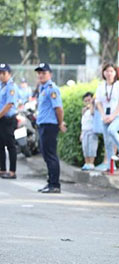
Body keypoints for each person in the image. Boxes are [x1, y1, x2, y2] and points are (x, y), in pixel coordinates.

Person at [34, 63, 66, 193]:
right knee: (46, 154)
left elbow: (58, 108)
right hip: (43, 125)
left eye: (44, 73)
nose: (41, 75)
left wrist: (60, 123)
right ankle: (50, 182)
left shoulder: (52, 89)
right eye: (39, 73)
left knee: (51, 155)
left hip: (50, 125)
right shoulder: (42, 89)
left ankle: (55, 184)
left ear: (50, 74)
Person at [95, 63, 119, 171]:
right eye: (107, 71)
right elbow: (98, 102)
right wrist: (103, 115)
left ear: (115, 73)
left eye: (111, 71)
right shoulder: (101, 86)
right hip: (105, 117)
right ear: (103, 72)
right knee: (107, 141)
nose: (109, 73)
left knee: (112, 130)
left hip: (118, 115)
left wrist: (113, 116)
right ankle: (111, 165)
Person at [0, 64, 18, 179]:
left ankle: (12, 171)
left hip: (8, 119)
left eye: (3, 73)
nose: (1, 75)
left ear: (9, 74)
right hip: (1, 119)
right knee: (0, 144)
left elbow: (9, 104)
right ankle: (2, 169)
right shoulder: (1, 86)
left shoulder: (11, 86)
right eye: (0, 73)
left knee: (10, 145)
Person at [80, 92, 99, 171]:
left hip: (92, 131)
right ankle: (86, 163)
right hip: (84, 131)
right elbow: (82, 123)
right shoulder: (84, 111)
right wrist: (81, 133)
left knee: (92, 147)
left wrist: (91, 104)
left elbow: (92, 112)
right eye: (86, 101)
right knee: (85, 148)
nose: (87, 102)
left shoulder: (94, 108)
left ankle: (91, 163)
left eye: (89, 100)